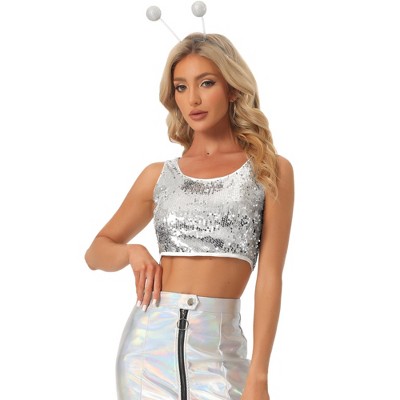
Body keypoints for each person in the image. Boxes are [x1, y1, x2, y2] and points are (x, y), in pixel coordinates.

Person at [85, 32, 294, 400]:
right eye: (181, 87)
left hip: (221, 354)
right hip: (148, 352)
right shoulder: (159, 175)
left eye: (206, 83)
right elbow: (95, 252)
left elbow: (270, 276)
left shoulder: (269, 169)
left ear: (232, 89)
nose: (193, 99)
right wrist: (132, 252)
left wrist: (259, 375)